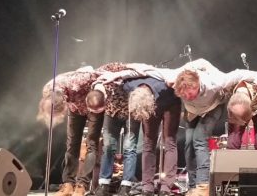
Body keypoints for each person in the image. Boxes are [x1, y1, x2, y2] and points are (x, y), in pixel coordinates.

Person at [173, 61, 257, 196]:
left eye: (191, 94)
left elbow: (240, 73)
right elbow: (151, 71)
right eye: (185, 96)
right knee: (188, 143)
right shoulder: (176, 82)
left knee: (199, 139)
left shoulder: (216, 82)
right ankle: (192, 186)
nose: (188, 97)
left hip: (213, 107)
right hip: (193, 112)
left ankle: (203, 185)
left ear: (197, 85)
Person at [37, 67, 106, 196]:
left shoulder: (79, 80)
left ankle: (82, 185)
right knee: (72, 144)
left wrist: (97, 98)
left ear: (63, 103)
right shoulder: (48, 89)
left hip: (92, 104)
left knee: (91, 144)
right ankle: (68, 184)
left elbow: (96, 77)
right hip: (75, 107)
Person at [124, 76, 182, 196]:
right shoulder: (129, 85)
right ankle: (147, 186)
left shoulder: (165, 87)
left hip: (171, 104)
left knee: (169, 141)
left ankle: (166, 186)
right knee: (148, 143)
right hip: (148, 105)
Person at [91, 62, 142, 196]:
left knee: (129, 148)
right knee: (108, 147)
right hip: (112, 112)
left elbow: (141, 73)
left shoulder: (129, 70)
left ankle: (126, 185)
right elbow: (94, 83)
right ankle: (104, 184)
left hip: (131, 111)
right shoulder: (100, 76)